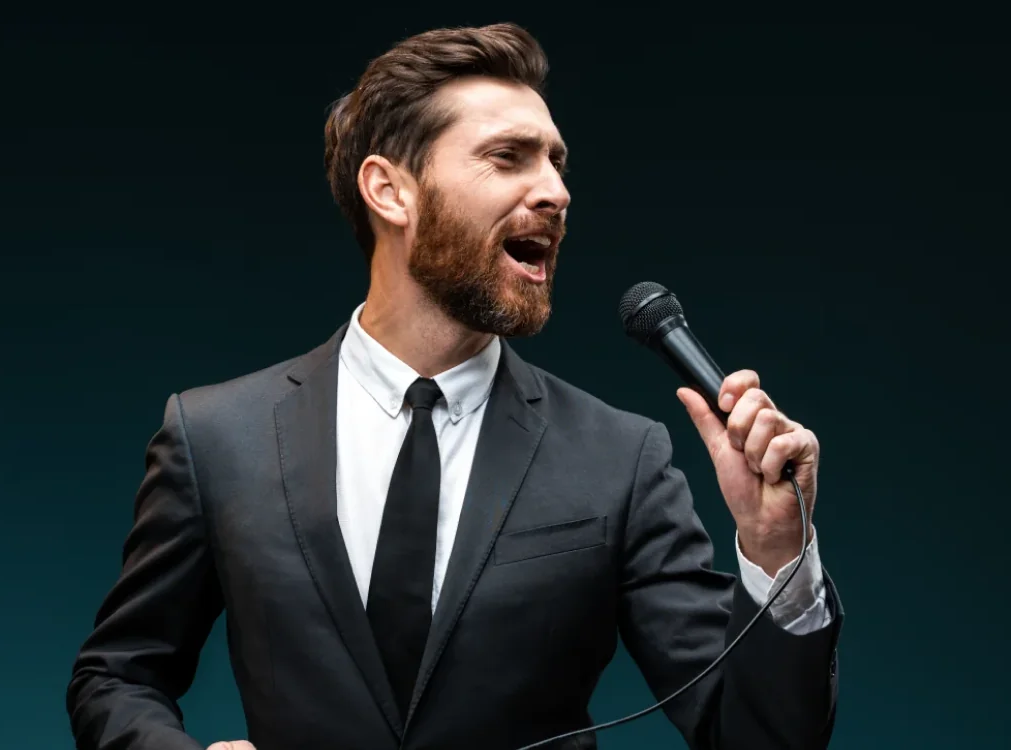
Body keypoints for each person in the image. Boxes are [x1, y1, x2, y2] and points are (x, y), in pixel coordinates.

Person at [66, 22, 842, 750]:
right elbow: (116, 675)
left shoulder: (622, 457)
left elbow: (757, 737)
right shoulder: (216, 436)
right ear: (389, 190)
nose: (557, 192)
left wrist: (777, 549)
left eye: (557, 163)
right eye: (509, 157)